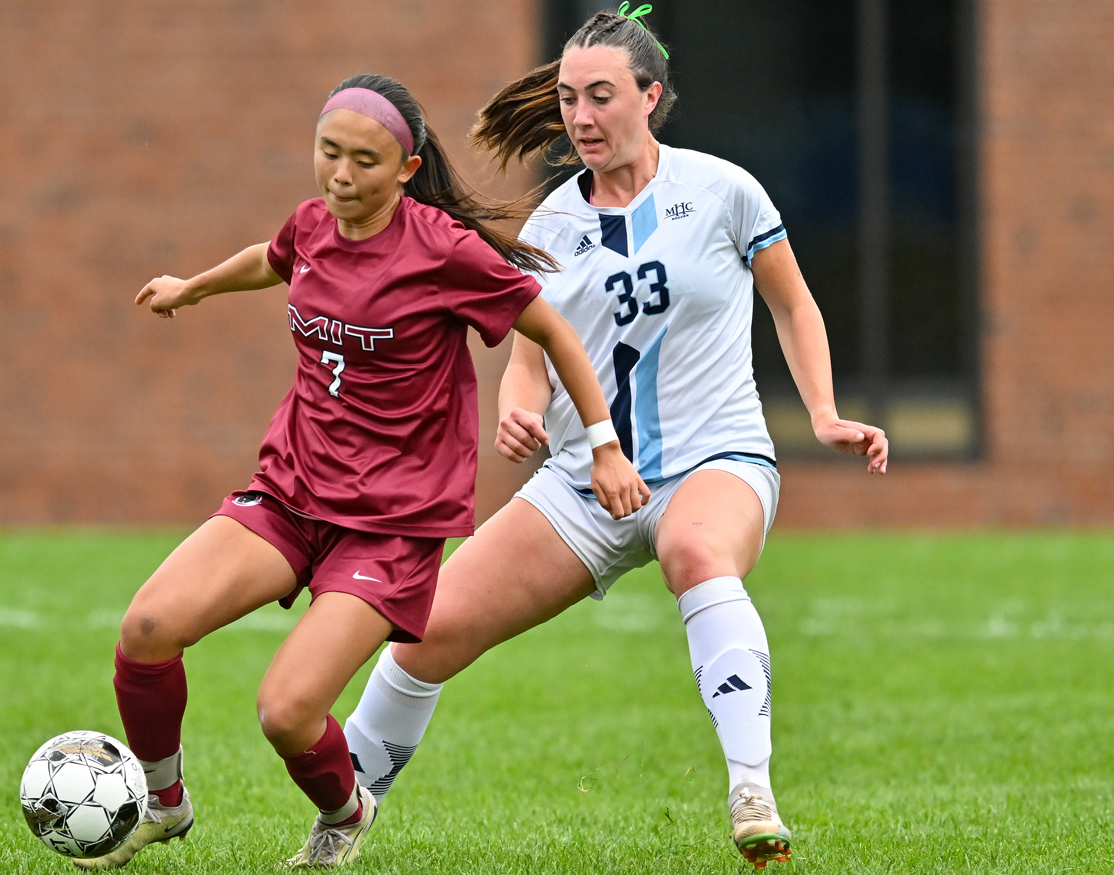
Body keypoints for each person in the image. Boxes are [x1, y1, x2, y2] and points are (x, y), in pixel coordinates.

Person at [339, 8, 888, 870]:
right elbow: (529, 360)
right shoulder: (549, 229)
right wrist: (516, 408)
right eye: (567, 99)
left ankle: (752, 788)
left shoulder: (724, 190)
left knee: (698, 556)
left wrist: (821, 411)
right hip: (585, 481)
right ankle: (340, 825)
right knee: (423, 633)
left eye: (601, 96)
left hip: (716, 458)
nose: (581, 117)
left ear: (651, 96)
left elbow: (793, 302)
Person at [78, 73, 645, 871]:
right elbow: (272, 259)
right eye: (328, 153)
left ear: (408, 169)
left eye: (364, 162)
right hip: (290, 491)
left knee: (286, 712)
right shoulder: (313, 224)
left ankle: (346, 811)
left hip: (392, 523)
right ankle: (163, 805)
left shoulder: (445, 252)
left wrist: (602, 444)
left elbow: (552, 328)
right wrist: (193, 287)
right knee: (145, 631)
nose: (341, 176)